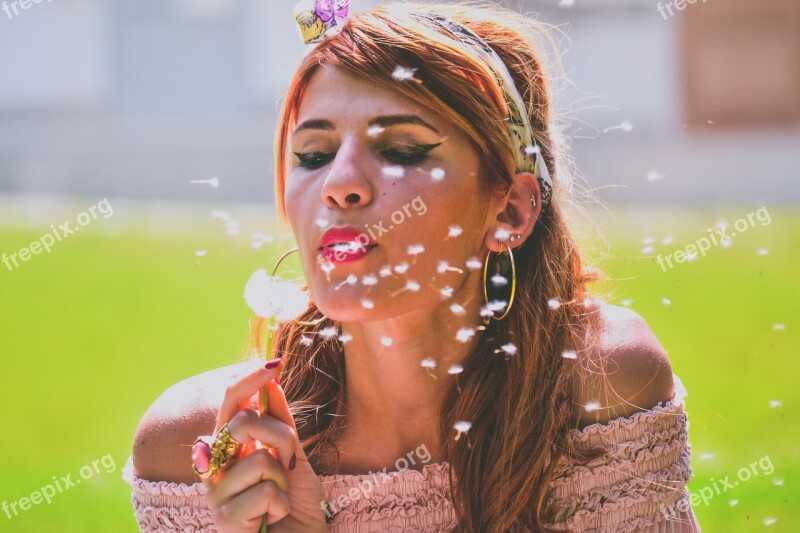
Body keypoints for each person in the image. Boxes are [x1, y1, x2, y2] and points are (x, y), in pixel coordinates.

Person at [122, 1, 703, 531]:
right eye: (313, 155)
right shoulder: (199, 449)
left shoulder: (600, 386)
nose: (340, 184)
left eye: (401, 149)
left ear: (510, 210)